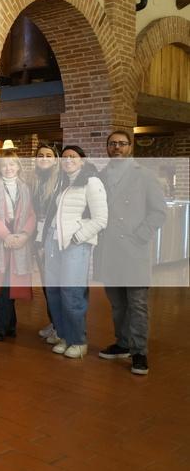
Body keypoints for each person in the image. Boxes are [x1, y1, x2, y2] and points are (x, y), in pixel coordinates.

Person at [96, 131, 166, 375]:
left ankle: (139, 353)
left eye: (122, 144)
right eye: (112, 144)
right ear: (107, 148)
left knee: (137, 304)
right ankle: (123, 343)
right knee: (117, 304)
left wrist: (141, 236)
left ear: (130, 147)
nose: (117, 147)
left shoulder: (144, 175)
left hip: (134, 250)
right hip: (109, 250)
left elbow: (159, 211)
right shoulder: (101, 176)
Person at [44, 145, 108, 359]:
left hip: (75, 245)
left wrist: (77, 237)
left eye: (73, 157)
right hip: (54, 242)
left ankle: (78, 341)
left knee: (71, 293)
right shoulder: (63, 182)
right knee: (54, 291)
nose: (68, 160)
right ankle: (64, 336)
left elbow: (101, 219)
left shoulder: (92, 182)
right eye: (64, 157)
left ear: (82, 160)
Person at [0, 150, 36, 341]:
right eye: (4, 165)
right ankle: (3, 326)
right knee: (3, 283)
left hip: (20, 241)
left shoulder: (26, 188)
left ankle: (6, 325)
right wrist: (7, 235)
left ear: (18, 166)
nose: (8, 168)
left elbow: (32, 215)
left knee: (9, 283)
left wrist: (24, 235)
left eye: (12, 164)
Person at [29, 143, 62, 343]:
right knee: (47, 283)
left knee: (57, 284)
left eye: (48, 155)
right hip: (38, 238)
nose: (44, 158)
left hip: (55, 238)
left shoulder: (61, 180)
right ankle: (54, 321)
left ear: (55, 159)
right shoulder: (33, 180)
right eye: (40, 155)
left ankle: (62, 326)